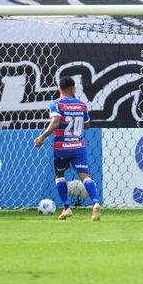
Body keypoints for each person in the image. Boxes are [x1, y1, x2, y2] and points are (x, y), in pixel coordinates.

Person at [34, 76, 102, 221]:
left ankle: (67, 208)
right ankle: (95, 202)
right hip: (79, 146)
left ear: (60, 89)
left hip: (62, 147)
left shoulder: (56, 104)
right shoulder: (81, 105)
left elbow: (56, 122)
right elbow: (87, 125)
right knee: (85, 176)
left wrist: (42, 137)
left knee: (59, 175)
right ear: (73, 89)